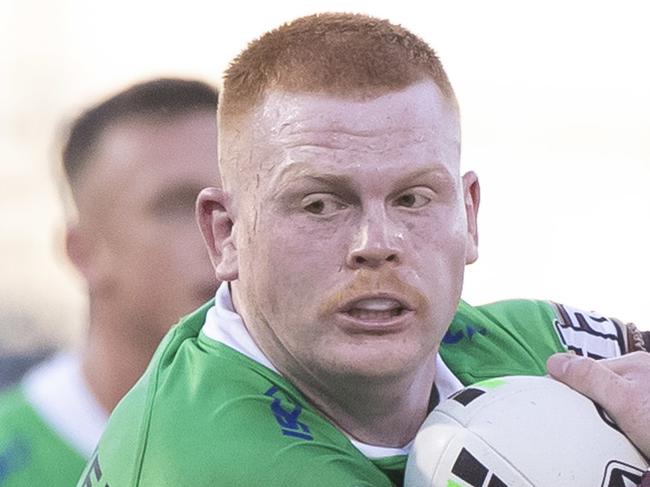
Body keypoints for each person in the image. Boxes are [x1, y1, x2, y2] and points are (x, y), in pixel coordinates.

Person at [77, 14, 650, 487]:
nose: (377, 245)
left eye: (412, 198)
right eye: (321, 205)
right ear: (226, 234)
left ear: (469, 214)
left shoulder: (541, 346)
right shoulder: (203, 461)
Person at [0, 78, 219, 486]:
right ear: (83, 253)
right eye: (177, 206)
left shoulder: (335, 444)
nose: (225, 232)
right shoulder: (12, 457)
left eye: (239, 200)